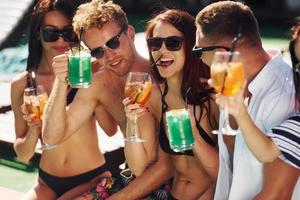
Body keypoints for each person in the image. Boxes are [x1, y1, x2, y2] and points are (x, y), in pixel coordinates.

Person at [42, 0, 158, 198]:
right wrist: (61, 83)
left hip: (166, 180)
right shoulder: (99, 84)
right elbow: (52, 138)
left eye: (113, 42)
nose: (109, 55)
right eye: (97, 51)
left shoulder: (160, 74)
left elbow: (169, 164)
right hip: (130, 177)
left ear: (130, 33)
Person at [106, 9, 219, 200]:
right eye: (155, 43)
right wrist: (132, 122)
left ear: (191, 45)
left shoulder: (211, 94)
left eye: (173, 43)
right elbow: (138, 167)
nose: (162, 51)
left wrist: (194, 137)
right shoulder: (154, 96)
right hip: (171, 195)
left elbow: (228, 171)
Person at [193, 1, 300, 199]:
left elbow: (277, 193)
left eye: (199, 52)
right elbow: (233, 166)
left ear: (222, 54)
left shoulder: (285, 94)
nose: (199, 59)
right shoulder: (233, 84)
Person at [11, 0, 116, 199]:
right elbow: (23, 155)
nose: (60, 41)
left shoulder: (90, 72)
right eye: (51, 33)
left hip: (92, 178)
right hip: (47, 181)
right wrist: (35, 128)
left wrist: (95, 93)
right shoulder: (23, 84)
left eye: (68, 33)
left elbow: (111, 130)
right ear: (38, 34)